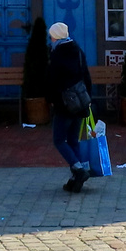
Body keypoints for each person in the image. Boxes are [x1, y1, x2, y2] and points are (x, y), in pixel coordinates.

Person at [44, 22, 93, 193]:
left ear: (56, 37)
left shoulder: (57, 54)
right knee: (73, 140)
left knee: (59, 140)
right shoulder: (78, 51)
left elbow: (52, 81)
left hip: (64, 104)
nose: (50, 39)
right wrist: (88, 97)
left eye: (51, 36)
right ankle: (76, 179)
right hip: (80, 102)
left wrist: (50, 100)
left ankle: (78, 170)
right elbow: (86, 76)